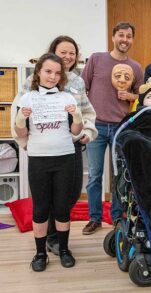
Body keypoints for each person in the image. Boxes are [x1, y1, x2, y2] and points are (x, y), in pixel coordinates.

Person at [11, 35, 97, 256]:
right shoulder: (30, 83)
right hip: (43, 149)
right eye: (63, 52)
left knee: (69, 195)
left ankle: (58, 236)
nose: (68, 57)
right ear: (52, 54)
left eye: (72, 53)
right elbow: (18, 113)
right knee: (44, 199)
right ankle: (51, 238)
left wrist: (87, 132)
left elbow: (87, 112)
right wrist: (25, 141)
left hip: (71, 148)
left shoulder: (77, 82)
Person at [14, 53, 83, 271]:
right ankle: (40, 253)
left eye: (57, 73)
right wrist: (20, 118)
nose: (52, 77)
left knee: (62, 208)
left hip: (65, 158)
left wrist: (78, 117)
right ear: (38, 73)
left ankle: (63, 249)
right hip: (38, 160)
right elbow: (21, 132)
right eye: (48, 71)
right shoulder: (27, 98)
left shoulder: (68, 98)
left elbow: (75, 131)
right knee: (41, 209)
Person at [81, 22, 143, 234]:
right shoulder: (96, 59)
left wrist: (131, 96)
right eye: (121, 35)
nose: (125, 39)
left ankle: (118, 217)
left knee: (119, 175)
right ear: (113, 37)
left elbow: (141, 96)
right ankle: (94, 218)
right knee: (95, 174)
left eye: (129, 36)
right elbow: (83, 88)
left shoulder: (135, 68)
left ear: (132, 40)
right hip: (96, 126)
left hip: (121, 127)